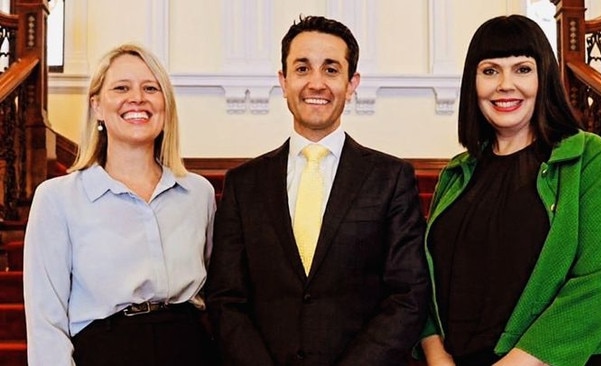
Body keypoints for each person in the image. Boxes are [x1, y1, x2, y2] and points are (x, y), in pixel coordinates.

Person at [205, 15, 430, 366]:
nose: (316, 83)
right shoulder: (244, 184)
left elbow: (407, 295)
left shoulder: (391, 178)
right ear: (283, 81)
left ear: (352, 83)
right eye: (302, 68)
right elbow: (225, 298)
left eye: (330, 69)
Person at [418, 15, 601, 366]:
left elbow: (597, 286)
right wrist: (438, 358)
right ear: (473, 83)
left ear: (543, 77)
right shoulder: (456, 174)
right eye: (489, 71)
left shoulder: (590, 159)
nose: (505, 84)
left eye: (522, 69)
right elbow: (423, 284)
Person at [23, 44, 217, 366]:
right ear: (97, 106)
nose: (137, 98)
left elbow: (214, 297)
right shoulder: (57, 199)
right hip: (106, 351)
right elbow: (46, 323)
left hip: (190, 349)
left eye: (151, 88)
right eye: (121, 88)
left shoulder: (198, 194)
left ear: (165, 105)